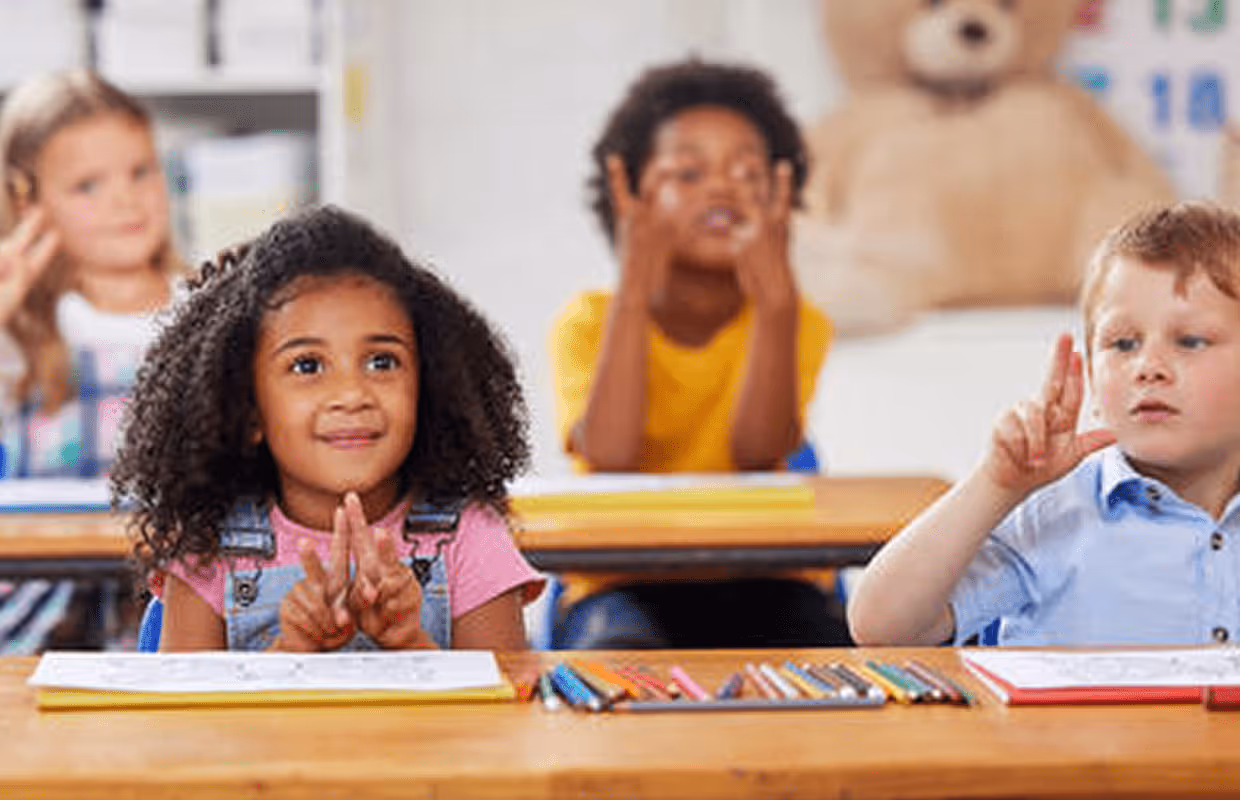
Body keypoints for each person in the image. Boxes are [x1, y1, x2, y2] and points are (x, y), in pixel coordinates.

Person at [112, 205, 544, 651]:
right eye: (307, 365)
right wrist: (288, 656)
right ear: (247, 409)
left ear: (429, 385)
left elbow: (503, 714)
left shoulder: (470, 537)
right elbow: (187, 718)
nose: (352, 393)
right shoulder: (207, 548)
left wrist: (411, 644)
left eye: (382, 362)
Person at [548, 59, 844, 649]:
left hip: (769, 577)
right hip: (620, 582)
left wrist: (776, 302)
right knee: (614, 659)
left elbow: (759, 451)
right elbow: (610, 455)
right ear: (628, 192)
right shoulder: (589, 320)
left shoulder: (797, 318)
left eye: (747, 172)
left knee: (829, 659)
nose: (722, 187)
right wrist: (634, 288)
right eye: (688, 171)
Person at [849, 202, 1240, 647]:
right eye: (1123, 343)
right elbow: (881, 627)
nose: (1148, 367)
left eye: (1190, 341)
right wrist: (997, 486)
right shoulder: (1052, 512)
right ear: (1091, 372)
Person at [0, 69, 185, 654]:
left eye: (141, 171)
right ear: (26, 200)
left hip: (177, 597)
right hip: (44, 604)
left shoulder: (206, 307)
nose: (126, 200)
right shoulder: (25, 329)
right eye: (87, 185)